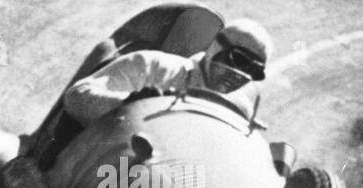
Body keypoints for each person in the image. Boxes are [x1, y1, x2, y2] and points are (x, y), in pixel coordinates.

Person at [62, 18, 273, 124]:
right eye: (239, 60)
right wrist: (128, 104)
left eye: (254, 72)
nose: (239, 74)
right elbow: (76, 97)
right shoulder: (153, 66)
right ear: (216, 46)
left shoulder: (239, 112)